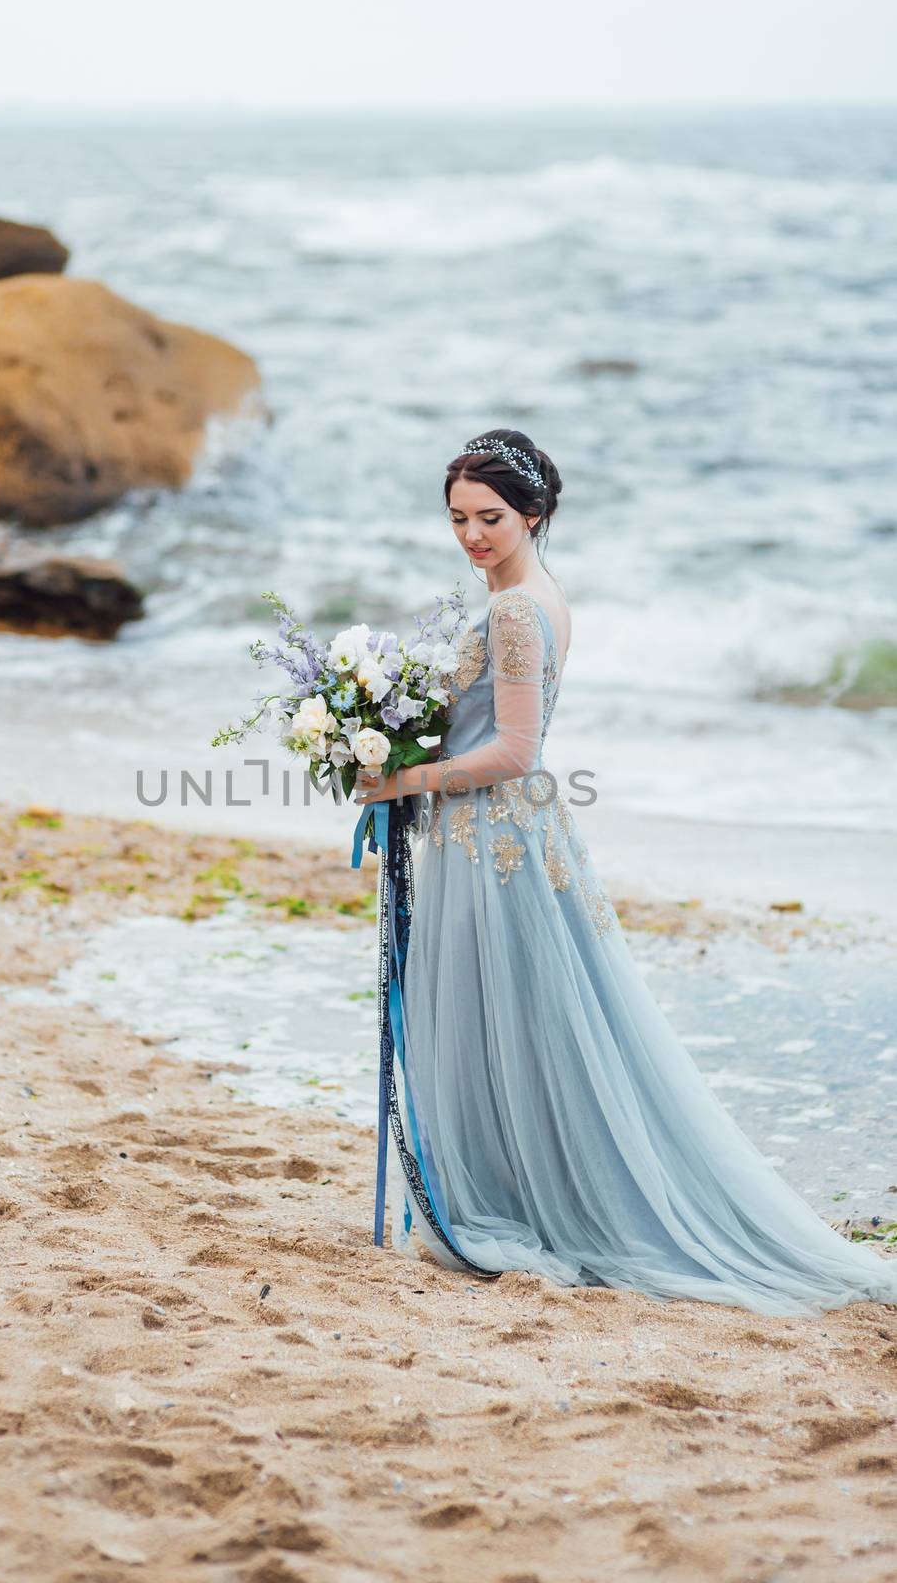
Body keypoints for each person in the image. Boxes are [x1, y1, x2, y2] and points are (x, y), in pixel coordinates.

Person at [352, 429, 897, 1316]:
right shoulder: (529, 597)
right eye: (457, 517)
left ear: (535, 513)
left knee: (517, 1014)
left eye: (490, 517)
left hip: (493, 834)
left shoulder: (518, 611)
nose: (471, 535)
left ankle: (525, 1201)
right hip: (486, 832)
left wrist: (401, 777)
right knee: (515, 1016)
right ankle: (515, 1183)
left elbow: (518, 751)